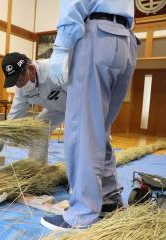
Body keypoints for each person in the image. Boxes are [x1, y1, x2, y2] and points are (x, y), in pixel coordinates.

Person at [41, 1, 137, 230]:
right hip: (127, 40)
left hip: (97, 37)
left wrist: (62, 46)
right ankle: (109, 200)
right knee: (99, 130)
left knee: (84, 130)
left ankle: (82, 213)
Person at [2, 52, 67, 160]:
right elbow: (15, 114)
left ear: (31, 69)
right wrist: (1, 137)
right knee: (37, 131)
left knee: (77, 137)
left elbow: (79, 95)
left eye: (19, 80)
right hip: (55, 109)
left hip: (79, 106)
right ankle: (36, 168)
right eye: (15, 83)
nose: (19, 85)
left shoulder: (54, 70)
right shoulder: (21, 88)